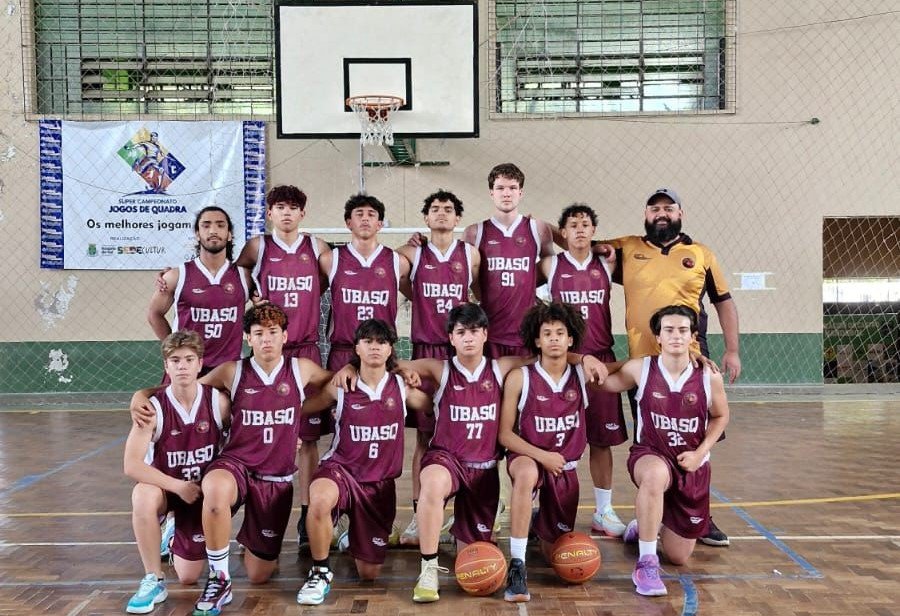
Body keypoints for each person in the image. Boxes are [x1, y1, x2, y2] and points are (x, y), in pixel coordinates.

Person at [132, 304, 334, 616]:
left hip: (275, 479)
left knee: (259, 575)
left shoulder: (301, 368)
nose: (266, 340)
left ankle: (238, 541)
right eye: (258, 334)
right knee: (213, 491)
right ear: (247, 338)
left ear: (285, 336)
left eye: (272, 333)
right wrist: (140, 395)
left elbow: (333, 384)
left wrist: (301, 411)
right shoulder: (232, 371)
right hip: (236, 466)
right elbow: (184, 386)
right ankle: (219, 577)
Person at [601, 187, 740, 546]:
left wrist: (733, 350)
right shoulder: (627, 248)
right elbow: (579, 238)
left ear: (681, 212)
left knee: (697, 441)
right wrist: (541, 229)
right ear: (646, 214)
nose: (661, 213)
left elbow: (724, 302)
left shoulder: (701, 254)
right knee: (651, 438)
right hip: (642, 364)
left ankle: (699, 514)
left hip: (690, 357)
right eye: (654, 208)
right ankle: (652, 514)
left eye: (668, 208)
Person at [295, 319, 431, 606]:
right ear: (356, 347)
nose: (374, 347)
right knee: (318, 498)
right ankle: (320, 571)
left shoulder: (401, 387)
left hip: (379, 486)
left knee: (369, 573)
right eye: (368, 341)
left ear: (391, 348)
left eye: (381, 342)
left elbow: (438, 407)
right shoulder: (341, 386)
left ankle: (352, 535)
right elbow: (302, 409)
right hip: (341, 471)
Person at [599, 305, 730, 596]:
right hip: (651, 454)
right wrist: (579, 362)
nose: (675, 336)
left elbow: (721, 417)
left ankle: (644, 524)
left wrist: (700, 453)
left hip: (691, 464)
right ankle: (646, 562)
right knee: (655, 475)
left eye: (683, 330)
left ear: (693, 336)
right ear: (657, 336)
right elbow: (604, 382)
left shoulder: (709, 377)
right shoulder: (641, 368)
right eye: (668, 330)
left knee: (680, 557)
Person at [235, 184, 331, 551]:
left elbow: (332, 278)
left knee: (307, 439)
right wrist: (249, 295)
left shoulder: (317, 248)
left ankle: (309, 518)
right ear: (269, 213)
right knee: (258, 436)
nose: (287, 213)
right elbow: (236, 271)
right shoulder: (258, 248)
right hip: (265, 352)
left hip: (304, 350)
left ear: (303, 214)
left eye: (293, 207)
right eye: (280, 207)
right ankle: (255, 516)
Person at [394, 189, 480, 547]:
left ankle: (464, 515)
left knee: (463, 436)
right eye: (435, 209)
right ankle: (419, 516)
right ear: (426, 218)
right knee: (425, 438)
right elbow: (396, 278)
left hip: (460, 354)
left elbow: (480, 292)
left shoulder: (470, 254)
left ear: (458, 218)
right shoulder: (413, 253)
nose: (442, 214)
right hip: (426, 349)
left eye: (448, 209)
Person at [123, 331, 229, 614]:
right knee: (142, 495)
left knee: (188, 576)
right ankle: (153, 578)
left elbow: (244, 436)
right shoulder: (152, 408)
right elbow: (131, 465)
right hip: (168, 490)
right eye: (175, 360)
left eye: (189, 360)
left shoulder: (218, 402)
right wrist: (177, 485)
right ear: (166, 367)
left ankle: (172, 537)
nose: (182, 366)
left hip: (201, 496)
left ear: (199, 364)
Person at [539, 204, 628, 537]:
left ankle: (603, 511)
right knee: (552, 436)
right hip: (561, 362)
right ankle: (547, 509)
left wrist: (606, 245)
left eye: (585, 224)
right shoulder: (549, 264)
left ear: (593, 231)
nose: (579, 229)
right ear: (563, 232)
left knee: (600, 441)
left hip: (600, 360)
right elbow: (515, 290)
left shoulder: (607, 263)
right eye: (572, 225)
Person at [498, 302, 592, 603]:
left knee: (556, 556)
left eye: (560, 333)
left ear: (570, 339)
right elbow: (505, 435)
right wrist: (542, 456)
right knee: (526, 473)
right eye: (547, 333)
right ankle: (517, 563)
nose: (553, 338)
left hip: (564, 470)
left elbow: (625, 370)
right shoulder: (520, 377)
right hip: (529, 458)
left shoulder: (582, 374)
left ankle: (537, 522)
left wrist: (695, 357)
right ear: (536, 340)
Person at [462, 163, 556, 358]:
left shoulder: (537, 228)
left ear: (521, 193)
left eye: (512, 188)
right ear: (491, 193)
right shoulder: (474, 232)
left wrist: (533, 289)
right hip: (490, 330)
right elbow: (466, 276)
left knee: (525, 387)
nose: (507, 193)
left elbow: (551, 266)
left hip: (527, 330)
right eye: (500, 188)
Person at [147, 206, 250, 376]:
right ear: (197, 234)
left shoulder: (245, 277)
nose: (213, 230)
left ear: (230, 234)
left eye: (220, 225)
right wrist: (175, 349)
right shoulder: (176, 276)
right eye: (206, 225)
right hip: (187, 370)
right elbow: (154, 314)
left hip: (229, 370)